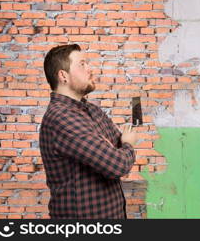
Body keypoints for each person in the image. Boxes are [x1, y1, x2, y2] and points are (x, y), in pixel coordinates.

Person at [39, 43, 138, 219]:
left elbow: (115, 146)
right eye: (82, 64)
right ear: (63, 76)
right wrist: (128, 144)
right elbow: (117, 165)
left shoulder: (91, 110)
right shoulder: (62, 118)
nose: (90, 69)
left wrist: (114, 149)